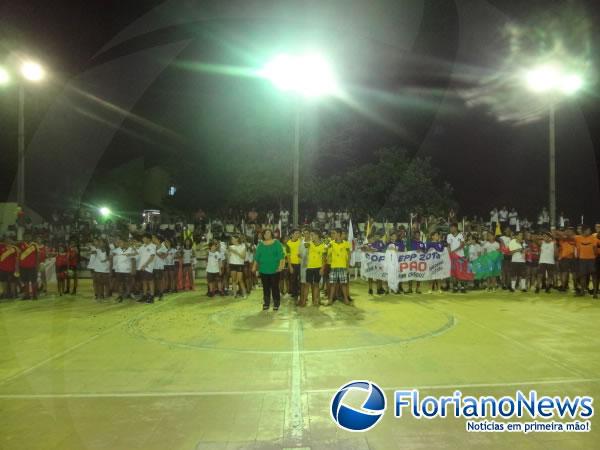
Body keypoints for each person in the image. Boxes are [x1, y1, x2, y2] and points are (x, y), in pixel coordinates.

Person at [253, 229, 285, 311]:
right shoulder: (260, 244)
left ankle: (276, 303)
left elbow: (281, 255)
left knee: (275, 287)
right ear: (263, 235)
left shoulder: (276, 243)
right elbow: (257, 257)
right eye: (265, 233)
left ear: (271, 234)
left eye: (268, 233)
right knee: (266, 287)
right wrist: (254, 266)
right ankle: (266, 303)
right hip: (263, 270)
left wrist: (281, 266)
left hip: (275, 270)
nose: (267, 235)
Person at [327, 229, 351, 305]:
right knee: (333, 284)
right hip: (334, 266)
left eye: (334, 233)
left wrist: (347, 266)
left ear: (339, 234)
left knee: (343, 284)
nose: (332, 235)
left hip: (343, 266)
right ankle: (330, 299)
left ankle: (346, 299)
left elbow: (349, 255)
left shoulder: (346, 243)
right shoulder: (331, 243)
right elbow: (327, 253)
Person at [574, 225, 598, 298]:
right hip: (582, 260)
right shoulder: (578, 238)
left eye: (590, 230)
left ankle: (595, 293)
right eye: (588, 230)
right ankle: (582, 292)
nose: (590, 231)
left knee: (594, 276)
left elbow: (595, 249)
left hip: (592, 260)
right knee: (583, 276)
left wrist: (594, 257)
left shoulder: (593, 238)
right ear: (584, 230)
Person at [305, 230, 327, 306]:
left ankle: (316, 300)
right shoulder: (309, 243)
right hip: (310, 267)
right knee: (307, 284)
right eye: (311, 235)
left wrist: (322, 269)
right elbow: (305, 245)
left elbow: (324, 259)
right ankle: (305, 300)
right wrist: (308, 239)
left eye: (313, 235)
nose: (311, 236)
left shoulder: (323, 245)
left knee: (316, 284)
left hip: (318, 267)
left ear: (317, 235)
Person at [113, 238, 136, 302]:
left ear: (125, 243)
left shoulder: (131, 250)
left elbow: (133, 260)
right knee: (120, 283)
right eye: (119, 242)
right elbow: (113, 258)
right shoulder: (116, 250)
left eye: (121, 242)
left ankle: (128, 294)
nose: (119, 244)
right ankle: (120, 296)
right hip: (118, 270)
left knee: (128, 283)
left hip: (127, 270)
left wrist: (133, 270)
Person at [447, 223, 466, 293]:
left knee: (461, 271)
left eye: (452, 228)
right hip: (453, 257)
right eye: (450, 228)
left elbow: (462, 245)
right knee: (454, 272)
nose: (451, 229)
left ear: (455, 228)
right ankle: (455, 287)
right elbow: (448, 246)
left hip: (461, 256)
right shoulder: (449, 236)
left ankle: (462, 286)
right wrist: (449, 253)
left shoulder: (461, 235)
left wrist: (454, 251)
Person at [18, 234, 39, 300]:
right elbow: (18, 255)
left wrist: (37, 265)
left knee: (34, 281)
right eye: (26, 236)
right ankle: (27, 295)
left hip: (32, 266)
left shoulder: (34, 245)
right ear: (24, 237)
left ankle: (34, 295)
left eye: (28, 236)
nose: (27, 237)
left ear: (31, 237)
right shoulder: (20, 244)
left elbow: (37, 256)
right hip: (23, 267)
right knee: (25, 281)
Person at [137, 233, 156, 303]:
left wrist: (145, 265)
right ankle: (145, 296)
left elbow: (152, 256)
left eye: (144, 238)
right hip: (141, 267)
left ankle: (152, 296)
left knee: (150, 281)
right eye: (143, 238)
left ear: (149, 239)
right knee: (144, 281)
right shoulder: (142, 246)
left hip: (148, 267)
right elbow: (137, 252)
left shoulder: (152, 246)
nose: (143, 239)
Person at [558, 228, 577, 293]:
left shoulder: (576, 238)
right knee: (565, 273)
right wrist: (565, 234)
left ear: (573, 232)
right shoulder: (563, 238)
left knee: (573, 273)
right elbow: (556, 233)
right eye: (567, 231)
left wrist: (567, 234)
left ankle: (575, 287)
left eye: (570, 231)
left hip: (573, 258)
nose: (568, 232)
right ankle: (564, 287)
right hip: (565, 258)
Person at [287, 229, 302, 302]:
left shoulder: (301, 242)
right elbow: (288, 256)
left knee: (300, 279)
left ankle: (300, 293)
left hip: (300, 264)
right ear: (292, 234)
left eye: (298, 233)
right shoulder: (288, 243)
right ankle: (294, 293)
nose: (298, 235)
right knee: (293, 279)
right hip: (292, 264)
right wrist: (290, 266)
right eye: (296, 233)